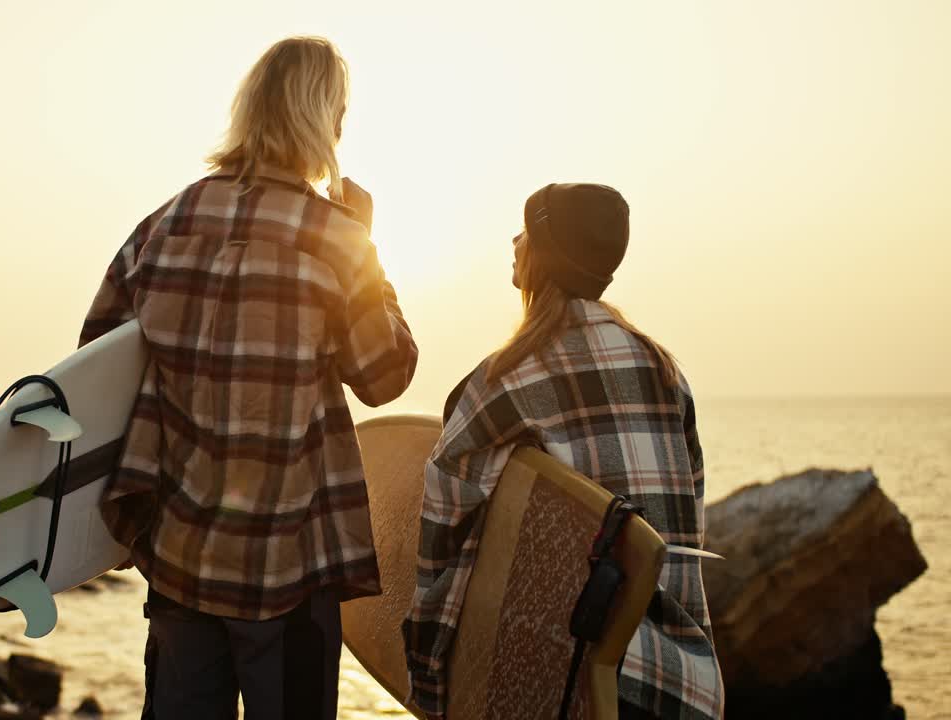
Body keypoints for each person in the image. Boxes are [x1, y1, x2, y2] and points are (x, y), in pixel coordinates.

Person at [77, 36, 419, 720]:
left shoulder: (163, 224)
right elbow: (385, 375)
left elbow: (96, 362)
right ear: (328, 120)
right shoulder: (334, 237)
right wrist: (367, 247)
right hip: (286, 569)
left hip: (178, 561)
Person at [403, 183, 723, 720]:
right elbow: (684, 530)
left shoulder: (501, 383)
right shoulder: (668, 374)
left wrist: (429, 671)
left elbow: (441, 532)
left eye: (526, 231)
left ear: (542, 256)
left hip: (565, 687)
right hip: (683, 685)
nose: (514, 239)